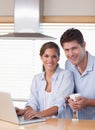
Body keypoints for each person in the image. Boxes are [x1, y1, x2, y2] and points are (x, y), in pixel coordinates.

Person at [16, 41, 74, 119]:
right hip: (42, 125)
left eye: (54, 56)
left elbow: (60, 104)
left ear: (58, 58)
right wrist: (23, 111)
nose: (50, 60)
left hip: (62, 125)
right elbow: (33, 103)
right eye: (46, 56)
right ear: (41, 57)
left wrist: (39, 114)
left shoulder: (66, 75)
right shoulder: (37, 78)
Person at [60, 28, 95, 120]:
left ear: (84, 45)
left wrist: (88, 102)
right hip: (81, 123)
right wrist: (70, 100)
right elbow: (71, 91)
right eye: (66, 50)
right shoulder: (68, 64)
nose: (71, 54)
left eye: (74, 48)